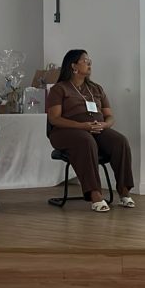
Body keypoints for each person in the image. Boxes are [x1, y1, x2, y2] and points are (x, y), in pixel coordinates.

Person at [46, 49, 135, 212]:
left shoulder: (96, 89)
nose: (89, 64)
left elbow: (109, 116)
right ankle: (95, 195)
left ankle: (124, 192)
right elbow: (54, 119)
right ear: (73, 66)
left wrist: (104, 125)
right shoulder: (59, 89)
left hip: (96, 129)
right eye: (85, 61)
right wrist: (82, 126)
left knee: (120, 141)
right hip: (65, 131)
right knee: (85, 140)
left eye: (89, 61)